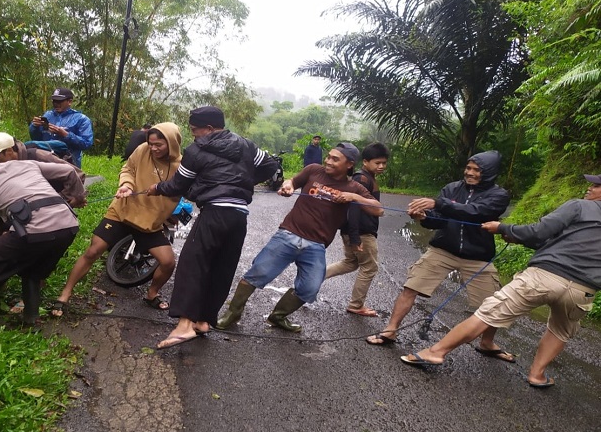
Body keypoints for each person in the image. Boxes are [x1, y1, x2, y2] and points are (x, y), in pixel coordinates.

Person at [401, 173, 601, 388]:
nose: (590, 187)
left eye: (597, 185)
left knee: (488, 312)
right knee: (560, 331)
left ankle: (435, 352)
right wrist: (514, 235)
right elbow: (553, 242)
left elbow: (539, 232)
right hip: (584, 289)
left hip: (544, 276)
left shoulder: (579, 206)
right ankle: (537, 375)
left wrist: (503, 228)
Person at [146, 106, 279, 349]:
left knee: (192, 264)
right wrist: (243, 182)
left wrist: (156, 188)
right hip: (239, 216)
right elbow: (270, 165)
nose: (193, 134)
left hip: (215, 212)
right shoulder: (246, 145)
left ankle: (185, 325)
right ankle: (204, 321)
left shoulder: (196, 150)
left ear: (208, 129)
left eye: (195, 130)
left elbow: (178, 184)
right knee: (222, 267)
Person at [215, 143, 384, 333]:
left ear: (350, 164)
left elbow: (378, 210)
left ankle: (278, 316)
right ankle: (233, 312)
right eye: (328, 156)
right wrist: (288, 186)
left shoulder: (354, 187)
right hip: (288, 234)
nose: (328, 161)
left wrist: (353, 197)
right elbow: (292, 181)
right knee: (257, 273)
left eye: (335, 159)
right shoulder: (314, 170)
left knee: (310, 287)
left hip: (316, 245)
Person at [366, 151, 511, 352]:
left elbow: (477, 212)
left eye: (476, 170)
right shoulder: (451, 188)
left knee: (492, 303)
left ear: (489, 172)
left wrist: (439, 204)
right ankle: (390, 330)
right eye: (468, 168)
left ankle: (486, 343)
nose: (470, 172)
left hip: (478, 256)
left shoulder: (498, 195)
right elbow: (437, 219)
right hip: (443, 249)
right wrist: (423, 217)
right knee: (411, 287)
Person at [51, 122, 183, 317]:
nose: (153, 148)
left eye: (159, 145)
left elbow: (181, 191)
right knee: (93, 250)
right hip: (122, 211)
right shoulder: (142, 150)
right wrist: (126, 185)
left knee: (168, 262)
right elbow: (128, 169)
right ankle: (65, 293)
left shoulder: (182, 166)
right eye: (151, 143)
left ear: (172, 143)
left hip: (149, 222)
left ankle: (151, 293)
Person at [0, 140, 84, 329]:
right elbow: (69, 172)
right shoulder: (24, 164)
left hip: (34, 231)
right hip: (68, 226)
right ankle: (31, 318)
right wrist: (77, 196)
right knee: (33, 270)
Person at [324, 142, 390, 317]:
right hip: (361, 232)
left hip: (355, 231)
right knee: (369, 267)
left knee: (350, 263)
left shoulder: (366, 178)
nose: (381, 166)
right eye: (377, 162)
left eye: (384, 163)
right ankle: (356, 305)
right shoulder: (362, 179)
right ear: (366, 162)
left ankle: (313, 277)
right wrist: (355, 237)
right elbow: (353, 207)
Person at [0, 131, 87, 202]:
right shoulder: (4, 166)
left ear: (10, 150)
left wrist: (65, 199)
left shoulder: (39, 156)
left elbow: (79, 174)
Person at [29, 87, 94, 168]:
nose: (56, 104)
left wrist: (65, 135)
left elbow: (87, 143)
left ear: (69, 101)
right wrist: (34, 126)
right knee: (30, 147)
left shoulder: (82, 119)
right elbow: (37, 139)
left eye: (59, 101)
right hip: (46, 161)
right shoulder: (48, 115)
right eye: (54, 101)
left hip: (69, 163)